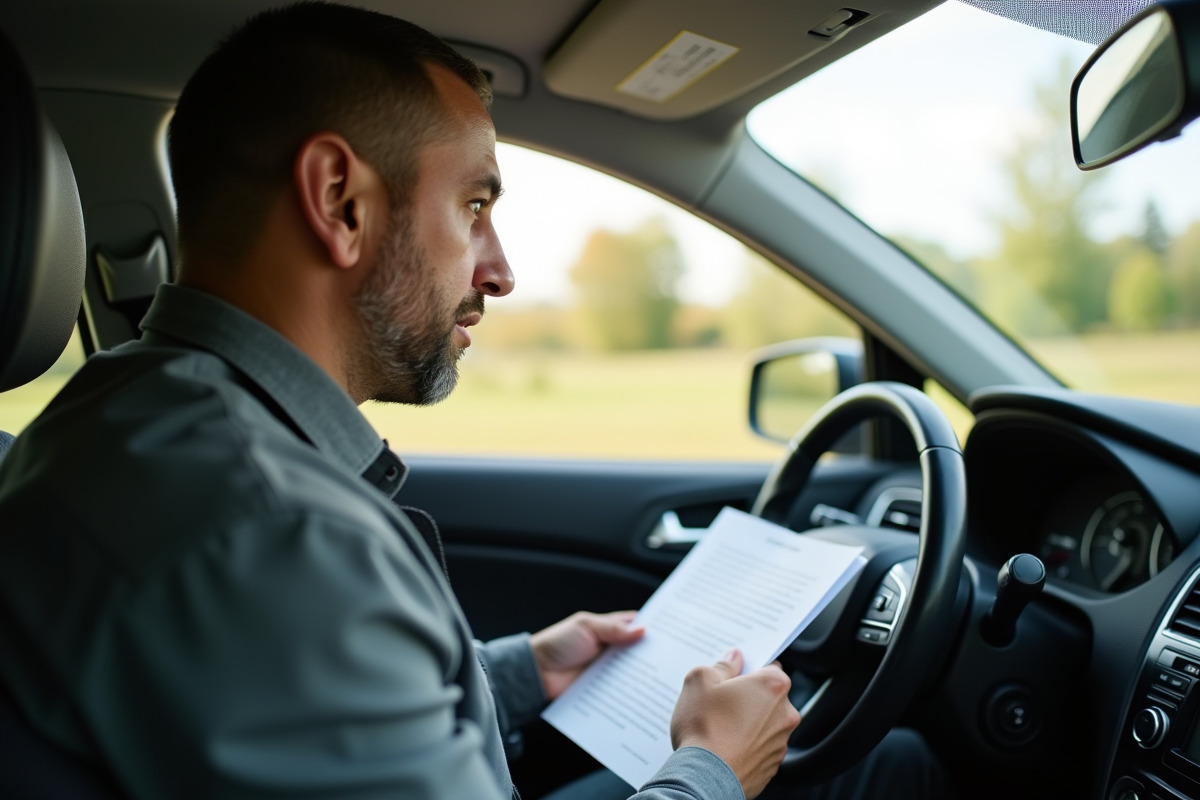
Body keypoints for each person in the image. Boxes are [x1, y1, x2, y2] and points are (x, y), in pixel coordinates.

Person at [0, 4, 952, 799]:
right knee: (887, 772)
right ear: (340, 202)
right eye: (474, 207)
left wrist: (519, 674)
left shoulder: (120, 411)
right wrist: (708, 771)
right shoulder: (266, 528)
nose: (499, 270)